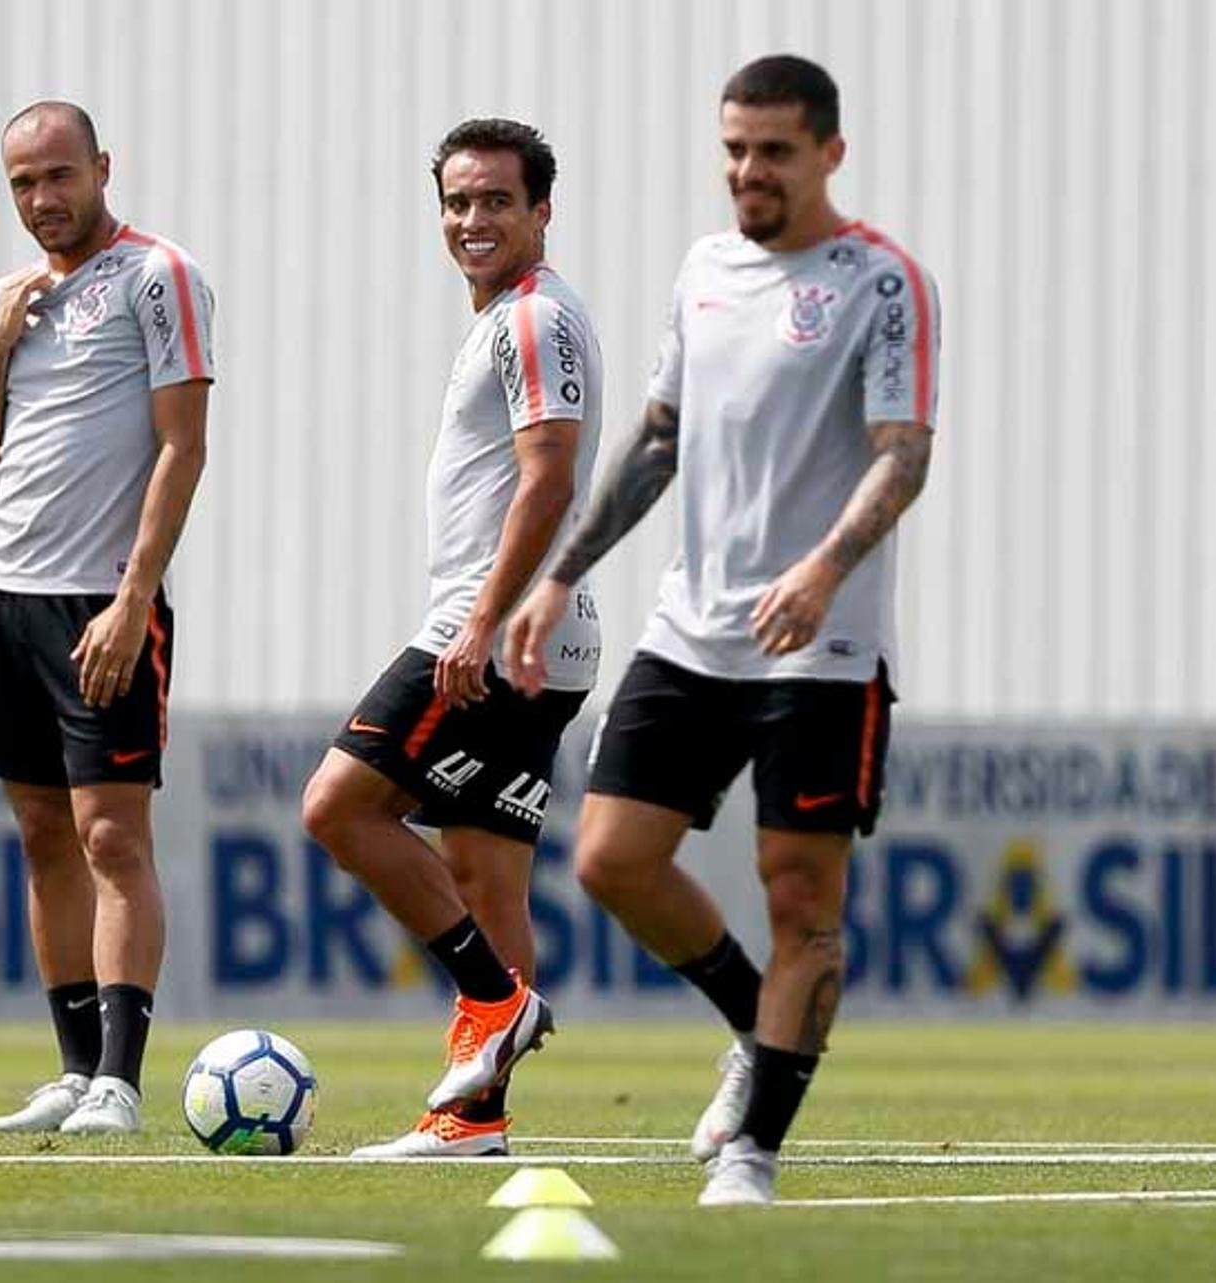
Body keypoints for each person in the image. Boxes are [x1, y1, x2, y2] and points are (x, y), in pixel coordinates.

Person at [505, 55, 940, 1204]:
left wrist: (823, 566)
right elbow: (656, 440)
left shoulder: (882, 283)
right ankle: (759, 1024)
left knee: (803, 897)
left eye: (775, 151)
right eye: (736, 149)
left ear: (829, 154)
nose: (749, 171)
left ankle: (752, 1148)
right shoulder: (703, 271)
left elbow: (903, 451)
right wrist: (559, 577)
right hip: (690, 633)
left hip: (824, 643)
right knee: (610, 858)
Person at [302, 118, 603, 1157]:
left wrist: (478, 620)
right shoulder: (511, 318)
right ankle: (475, 1117)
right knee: (485, 875)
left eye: (495, 202)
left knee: (340, 805)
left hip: (496, 631)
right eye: (457, 202)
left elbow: (551, 473)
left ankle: (493, 997)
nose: (473, 220)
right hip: (533, 632)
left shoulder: (534, 319)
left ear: (541, 211)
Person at [0, 101, 214, 1135]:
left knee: (112, 834)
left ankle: (120, 1077)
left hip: (102, 599)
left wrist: (135, 593)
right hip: (3, 594)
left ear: (103, 167)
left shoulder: (160, 277)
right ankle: (68, 1068)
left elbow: (182, 445)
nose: (43, 200)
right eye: (22, 183)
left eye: (60, 176)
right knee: (40, 835)